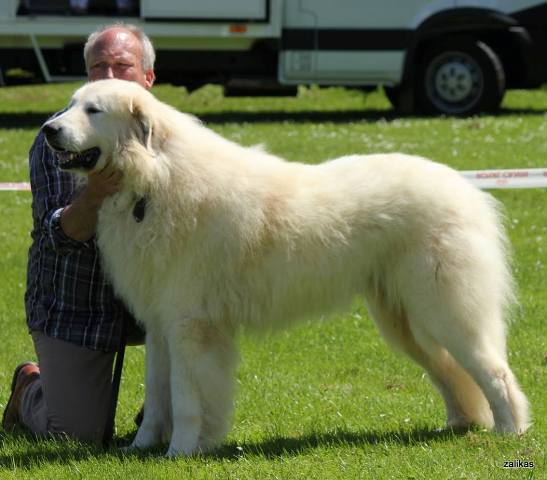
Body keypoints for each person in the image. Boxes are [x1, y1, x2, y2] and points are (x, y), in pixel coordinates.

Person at [2, 23, 155, 443]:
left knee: (205, 312)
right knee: (77, 436)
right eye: (98, 67)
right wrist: (95, 194)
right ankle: (29, 389)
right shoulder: (58, 137)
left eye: (122, 66)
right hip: (76, 305)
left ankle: (163, 412)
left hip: (152, 301)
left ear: (148, 77)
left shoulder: (171, 135)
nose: (108, 77)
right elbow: (61, 233)